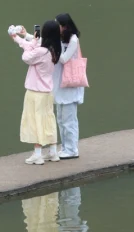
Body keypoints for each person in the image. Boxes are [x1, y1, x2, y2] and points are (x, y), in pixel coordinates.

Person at [10, 21, 61, 163]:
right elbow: (31, 45)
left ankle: (37, 154)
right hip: (47, 92)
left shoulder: (41, 51)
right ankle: (53, 152)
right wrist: (18, 38)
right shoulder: (54, 49)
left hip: (35, 91)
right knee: (48, 119)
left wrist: (28, 41)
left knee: (35, 121)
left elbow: (26, 57)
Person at [53, 13, 85, 159]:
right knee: (60, 119)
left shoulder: (73, 40)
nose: (56, 27)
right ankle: (65, 147)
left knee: (69, 120)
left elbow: (64, 59)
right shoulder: (59, 39)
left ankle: (72, 150)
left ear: (65, 26)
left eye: (58, 24)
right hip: (60, 85)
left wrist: (53, 48)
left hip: (70, 85)